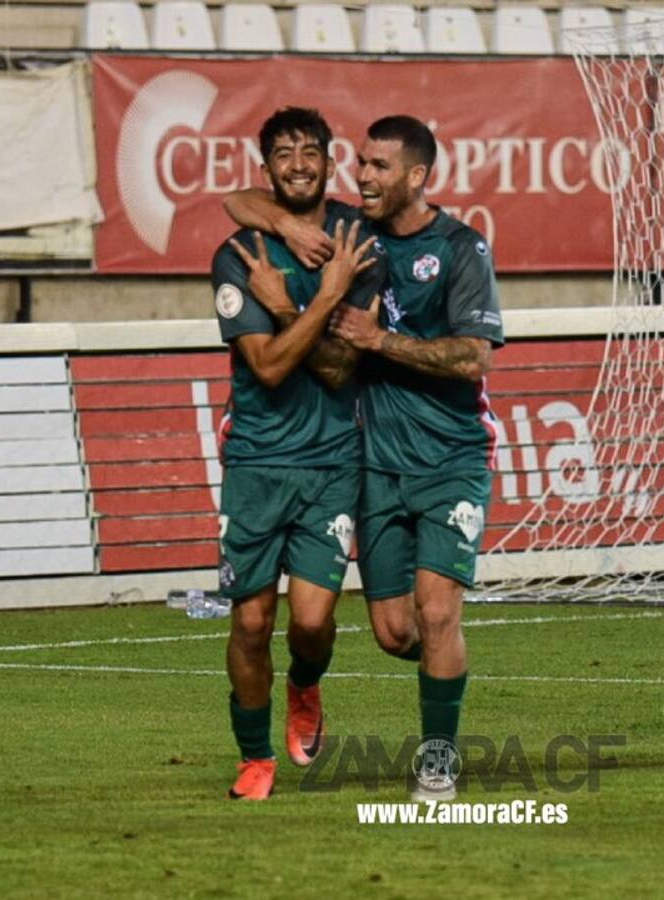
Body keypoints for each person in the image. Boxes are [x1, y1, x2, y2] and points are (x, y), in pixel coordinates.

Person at [225, 115, 504, 800]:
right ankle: (445, 667)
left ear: (417, 176)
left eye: (379, 167)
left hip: (450, 457)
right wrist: (288, 229)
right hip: (376, 464)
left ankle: (438, 759)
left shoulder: (460, 247)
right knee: (394, 631)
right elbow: (241, 200)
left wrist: (378, 341)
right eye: (361, 165)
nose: (364, 177)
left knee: (435, 615)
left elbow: (473, 357)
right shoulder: (354, 235)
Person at [212, 107, 381, 801]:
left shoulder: (357, 244)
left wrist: (302, 301)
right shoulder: (239, 254)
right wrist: (316, 302)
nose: (299, 164)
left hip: (333, 462)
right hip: (255, 463)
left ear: (330, 161)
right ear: (267, 168)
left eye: (310, 151)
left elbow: (340, 369)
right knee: (251, 622)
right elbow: (269, 366)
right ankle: (254, 759)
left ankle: (305, 686)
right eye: (283, 154)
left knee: (311, 624)